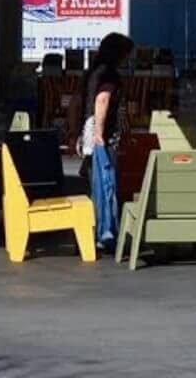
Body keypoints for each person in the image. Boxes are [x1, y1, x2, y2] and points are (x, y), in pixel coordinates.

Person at [80, 32, 133, 252]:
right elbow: (103, 100)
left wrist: (75, 131)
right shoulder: (109, 75)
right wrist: (100, 133)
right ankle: (107, 234)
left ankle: (96, 230)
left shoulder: (91, 72)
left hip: (89, 131)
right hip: (103, 136)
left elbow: (75, 102)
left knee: (95, 183)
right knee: (106, 183)